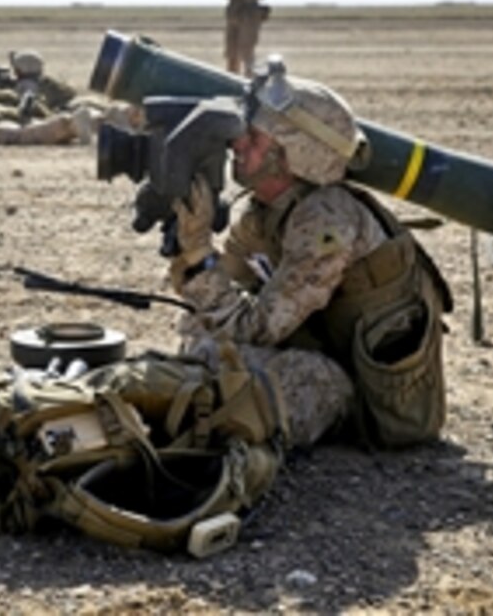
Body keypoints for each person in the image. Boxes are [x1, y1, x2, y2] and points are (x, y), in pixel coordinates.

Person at [165, 69, 452, 450]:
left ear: (292, 155)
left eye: (253, 138)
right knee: (201, 338)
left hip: (370, 401)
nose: (237, 144)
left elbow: (259, 327)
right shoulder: (265, 212)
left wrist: (200, 250)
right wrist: (188, 250)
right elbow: (218, 303)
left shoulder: (326, 221)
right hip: (319, 352)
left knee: (241, 376)